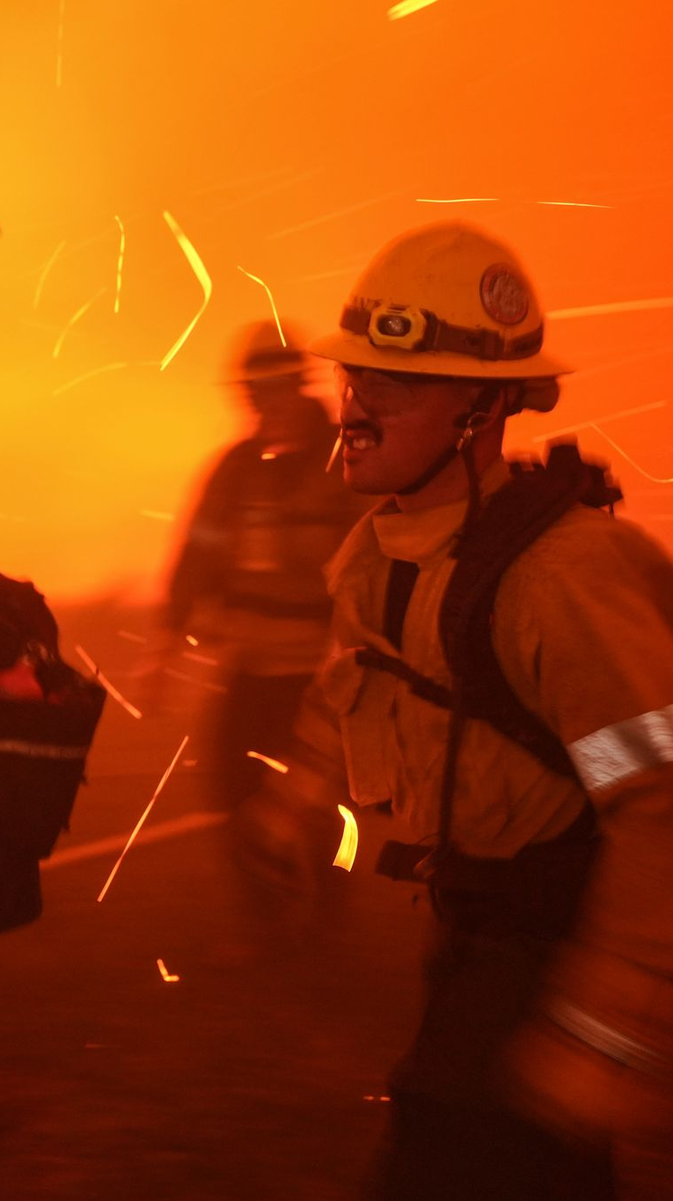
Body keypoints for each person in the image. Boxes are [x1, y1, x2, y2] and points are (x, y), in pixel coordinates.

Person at [310, 221, 673, 1198]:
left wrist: (596, 1035)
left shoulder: (559, 582)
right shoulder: (373, 557)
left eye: (399, 381)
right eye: (357, 375)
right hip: (473, 933)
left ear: (479, 409)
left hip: (555, 950)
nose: (358, 404)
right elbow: (348, 699)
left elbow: (659, 804)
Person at [157, 321, 360, 813]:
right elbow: (197, 556)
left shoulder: (347, 462)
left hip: (323, 685)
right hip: (250, 675)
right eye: (256, 392)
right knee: (235, 798)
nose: (266, 403)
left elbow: (378, 565)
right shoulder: (235, 471)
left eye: (277, 389)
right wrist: (168, 637)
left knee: (314, 814)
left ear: (298, 386)